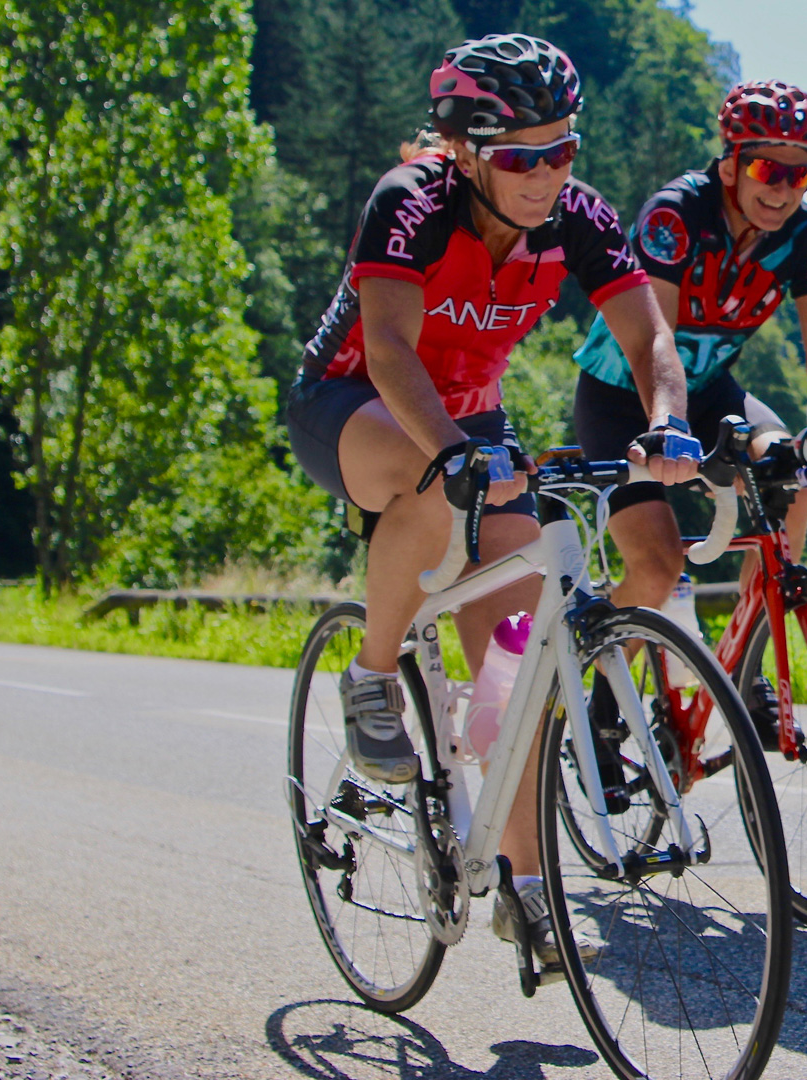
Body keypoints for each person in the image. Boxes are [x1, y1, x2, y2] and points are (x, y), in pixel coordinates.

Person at [283, 33, 699, 961]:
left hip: (469, 421)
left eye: (563, 149)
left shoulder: (577, 218)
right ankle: (373, 674)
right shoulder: (413, 203)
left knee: (515, 671)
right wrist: (454, 453)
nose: (546, 174)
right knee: (436, 491)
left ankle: (521, 884)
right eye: (522, 156)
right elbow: (389, 348)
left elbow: (649, 341)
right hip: (353, 402)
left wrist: (667, 421)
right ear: (467, 150)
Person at [570, 80, 807, 611]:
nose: (781, 190)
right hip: (623, 399)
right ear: (730, 165)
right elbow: (652, 339)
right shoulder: (678, 213)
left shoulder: (806, 236)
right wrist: (669, 426)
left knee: (794, 474)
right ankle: (604, 691)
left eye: (797, 175)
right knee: (658, 568)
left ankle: (749, 661)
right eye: (766, 171)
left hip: (711, 394)